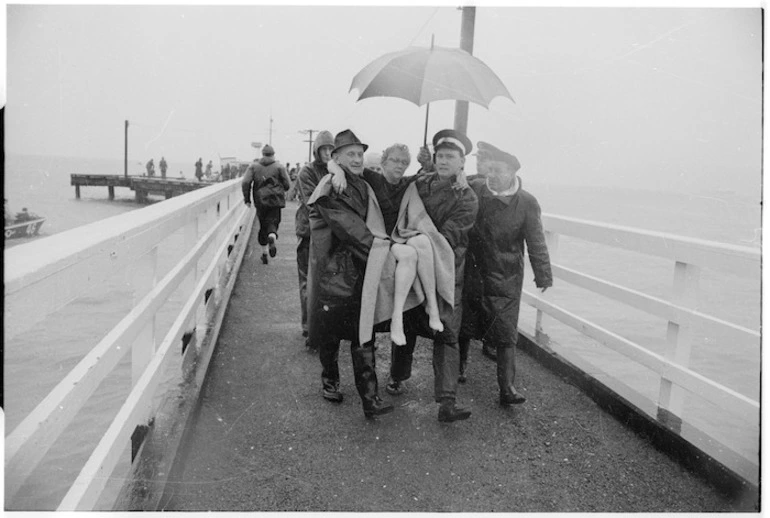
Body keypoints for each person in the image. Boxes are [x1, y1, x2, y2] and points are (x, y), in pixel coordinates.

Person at [384, 129, 479, 423]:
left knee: (447, 333)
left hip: (448, 268)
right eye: (439, 156)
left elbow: (451, 234)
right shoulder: (421, 182)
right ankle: (398, 376)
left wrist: (418, 236)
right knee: (410, 322)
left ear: (462, 162)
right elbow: (394, 189)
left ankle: (447, 401)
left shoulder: (467, 196)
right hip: (418, 262)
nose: (443, 161)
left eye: (450, 157)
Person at [306, 129, 393, 419]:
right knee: (331, 331)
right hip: (335, 270)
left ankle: (370, 399)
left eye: (359, 154)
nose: (357, 159)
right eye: (350, 155)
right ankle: (329, 382)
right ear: (336, 158)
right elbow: (350, 229)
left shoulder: (361, 182)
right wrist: (384, 253)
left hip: (357, 268)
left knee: (362, 332)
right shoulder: (331, 185)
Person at [467, 141, 553, 405]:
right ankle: (458, 371)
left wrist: (543, 274)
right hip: (474, 268)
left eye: (499, 170)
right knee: (465, 322)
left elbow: (536, 240)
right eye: (490, 169)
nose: (492, 174)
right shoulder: (476, 189)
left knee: (505, 332)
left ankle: (507, 388)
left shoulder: (526, 202)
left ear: (513, 172)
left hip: (506, 274)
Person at [295, 130, 335, 348]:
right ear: (317, 151)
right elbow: (313, 201)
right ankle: (309, 327)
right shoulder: (307, 172)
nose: (328, 153)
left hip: (329, 234)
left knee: (327, 283)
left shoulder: (340, 170)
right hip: (308, 232)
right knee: (307, 282)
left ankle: (323, 326)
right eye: (324, 149)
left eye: (331, 149)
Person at [242, 145, 291, 264]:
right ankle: (273, 236)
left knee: (263, 226)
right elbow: (287, 185)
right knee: (273, 222)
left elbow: (246, 182)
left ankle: (264, 254)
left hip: (260, 201)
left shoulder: (253, 166)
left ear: (262, 154)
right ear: (273, 154)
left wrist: (247, 199)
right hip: (275, 200)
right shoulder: (279, 166)